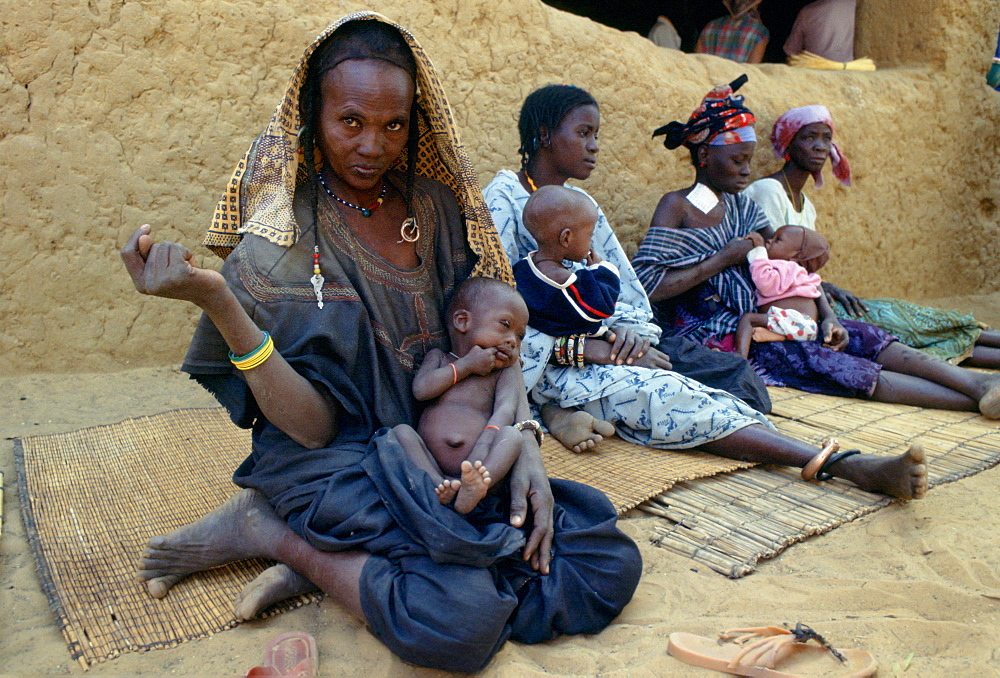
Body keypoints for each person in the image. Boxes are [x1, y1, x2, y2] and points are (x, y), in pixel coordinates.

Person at [119, 15, 644, 673]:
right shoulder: (274, 247)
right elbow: (311, 429)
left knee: (604, 563)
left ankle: (344, 560)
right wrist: (217, 300)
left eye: (394, 125)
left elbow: (501, 334)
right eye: (350, 122)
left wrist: (522, 437)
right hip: (338, 463)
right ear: (315, 116)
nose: (374, 144)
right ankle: (279, 535)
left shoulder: (436, 209)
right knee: (464, 623)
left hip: (440, 452)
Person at [484, 83, 928, 501]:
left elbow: (629, 292)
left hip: (610, 347)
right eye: (584, 133)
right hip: (545, 363)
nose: (596, 145)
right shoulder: (500, 201)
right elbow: (495, 313)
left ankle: (570, 413)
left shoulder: (585, 206)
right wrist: (583, 350)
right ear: (543, 135)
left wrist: (630, 333)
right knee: (666, 395)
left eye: (597, 134)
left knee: (730, 384)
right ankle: (847, 465)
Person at [634, 78, 1000, 415]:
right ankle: (971, 402)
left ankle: (976, 382)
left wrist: (827, 316)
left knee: (860, 334)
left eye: (748, 159)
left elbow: (796, 265)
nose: (747, 171)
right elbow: (650, 287)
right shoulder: (677, 206)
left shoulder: (742, 207)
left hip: (774, 316)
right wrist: (723, 259)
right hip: (723, 334)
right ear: (704, 157)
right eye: (738, 160)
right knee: (830, 364)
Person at [743, 105, 1000, 368]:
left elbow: (801, 265)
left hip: (812, 298)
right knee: (898, 322)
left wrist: (824, 287)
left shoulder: (806, 205)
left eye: (826, 138)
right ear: (789, 142)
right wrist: (825, 290)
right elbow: (775, 263)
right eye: (809, 137)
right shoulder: (768, 191)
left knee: (904, 315)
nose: (821, 147)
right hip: (791, 308)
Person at [396, 277, 528, 514]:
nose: (512, 341)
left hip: (481, 460)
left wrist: (485, 443)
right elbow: (421, 390)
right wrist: (466, 366)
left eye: (520, 337)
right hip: (431, 458)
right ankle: (439, 485)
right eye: (505, 324)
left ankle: (477, 487)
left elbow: (506, 409)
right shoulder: (439, 358)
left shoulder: (502, 373)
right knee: (400, 434)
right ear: (462, 321)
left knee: (513, 437)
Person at [512, 185, 620, 339]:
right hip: (573, 341)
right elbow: (602, 308)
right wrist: (601, 268)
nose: (591, 242)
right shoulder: (563, 280)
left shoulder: (522, 267)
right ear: (566, 238)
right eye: (589, 235)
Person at [735, 226, 830, 357]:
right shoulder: (791, 271)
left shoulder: (789, 268)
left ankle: (739, 357)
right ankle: (779, 336)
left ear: (795, 256)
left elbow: (766, 283)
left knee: (748, 319)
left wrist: (759, 250)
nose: (769, 241)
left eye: (777, 240)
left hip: (800, 323)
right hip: (799, 326)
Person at [694, 0, 769, 64]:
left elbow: (697, 63)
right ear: (756, 4)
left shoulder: (710, 27)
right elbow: (751, 71)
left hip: (707, 79)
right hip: (736, 80)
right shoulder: (759, 32)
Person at [783, 0, 856, 63]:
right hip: (854, 73)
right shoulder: (860, 7)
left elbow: (791, 52)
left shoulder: (808, 12)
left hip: (817, 74)